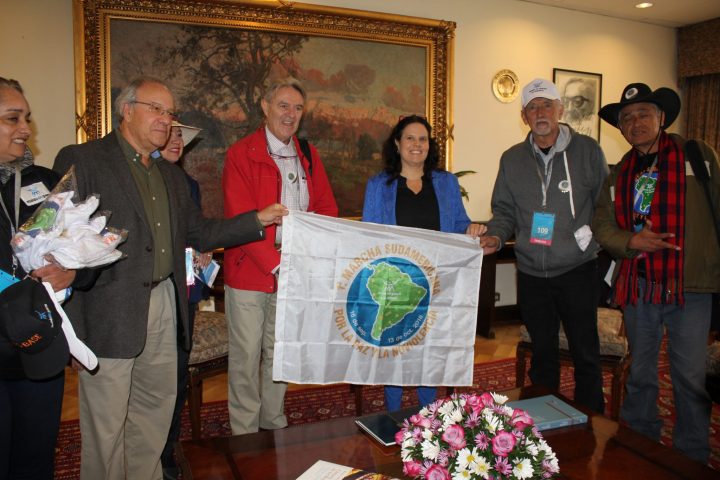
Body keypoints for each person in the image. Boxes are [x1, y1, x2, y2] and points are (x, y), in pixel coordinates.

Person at [53, 76, 288, 480]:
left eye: (170, 112)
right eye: (156, 109)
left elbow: (202, 233)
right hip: (111, 311)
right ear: (127, 110)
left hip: (165, 301)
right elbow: (57, 244)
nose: (166, 119)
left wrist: (257, 220)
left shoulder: (172, 177)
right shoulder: (85, 160)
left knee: (154, 411)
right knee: (106, 424)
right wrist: (71, 330)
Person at [592, 83, 720, 463]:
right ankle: (639, 447)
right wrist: (632, 241)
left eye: (644, 114)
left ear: (662, 118)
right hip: (639, 286)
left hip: (689, 287)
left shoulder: (697, 156)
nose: (636, 123)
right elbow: (602, 225)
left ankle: (692, 457)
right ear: (621, 128)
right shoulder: (618, 174)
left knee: (689, 379)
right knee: (641, 375)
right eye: (627, 118)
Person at [479, 78, 608, 414]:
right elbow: (504, 211)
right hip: (532, 274)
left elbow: (605, 206)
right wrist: (495, 236)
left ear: (560, 110)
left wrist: (591, 238)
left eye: (546, 105)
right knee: (542, 354)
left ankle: (591, 422)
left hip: (578, 269)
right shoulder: (512, 159)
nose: (540, 113)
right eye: (532, 108)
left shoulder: (588, 151)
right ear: (524, 116)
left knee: (585, 354)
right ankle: (544, 420)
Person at [223, 78, 338, 434]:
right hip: (250, 270)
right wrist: (275, 265)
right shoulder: (241, 153)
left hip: (295, 268)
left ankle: (272, 423)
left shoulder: (309, 154)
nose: (290, 114)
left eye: (297, 108)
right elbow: (240, 218)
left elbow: (326, 209)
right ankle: (244, 434)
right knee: (246, 356)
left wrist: (307, 258)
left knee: (279, 352)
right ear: (265, 106)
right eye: (283, 105)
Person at [361, 114, 483, 411]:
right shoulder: (379, 185)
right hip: (396, 283)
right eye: (410, 138)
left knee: (430, 350)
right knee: (396, 348)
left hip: (437, 283)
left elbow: (459, 224)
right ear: (397, 144)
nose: (417, 144)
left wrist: (471, 229)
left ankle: (429, 415)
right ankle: (393, 415)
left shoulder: (446, 183)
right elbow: (369, 234)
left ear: (430, 145)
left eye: (423, 139)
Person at [0, 77, 86, 479]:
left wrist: (72, 272)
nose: (25, 128)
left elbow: (85, 248)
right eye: (12, 118)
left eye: (27, 118)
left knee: (35, 461)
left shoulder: (45, 182)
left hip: (39, 348)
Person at [158, 121, 211, 480]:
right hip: (151, 295)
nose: (177, 140)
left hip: (185, 294)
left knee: (176, 376)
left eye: (181, 135)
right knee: (154, 382)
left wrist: (204, 249)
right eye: (172, 133)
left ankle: (168, 452)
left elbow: (197, 231)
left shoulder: (188, 184)